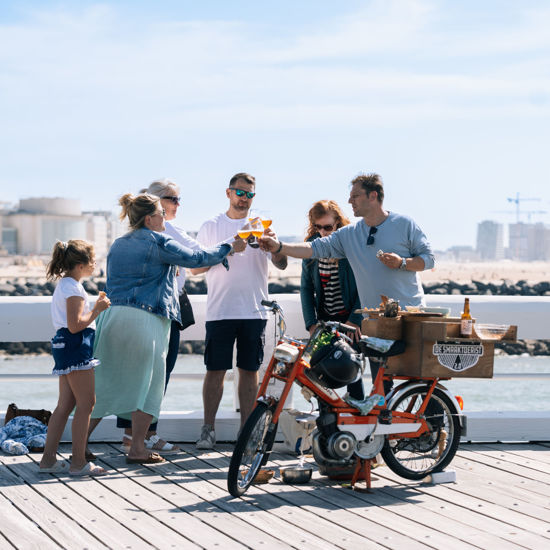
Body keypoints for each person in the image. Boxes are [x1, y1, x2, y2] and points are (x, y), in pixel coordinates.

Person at [88, 193, 237, 464]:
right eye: (161, 214)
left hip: (110, 318)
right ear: (149, 218)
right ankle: (137, 449)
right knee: (149, 387)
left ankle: (79, 444)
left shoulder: (117, 245)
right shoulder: (159, 241)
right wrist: (229, 246)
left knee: (103, 383)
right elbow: (196, 258)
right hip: (145, 319)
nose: (165, 219)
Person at [260, 173, 435, 392]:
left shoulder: (404, 224)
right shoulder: (349, 234)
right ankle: (383, 424)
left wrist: (402, 263)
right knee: (381, 385)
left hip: (410, 317)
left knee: (421, 380)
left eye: (355, 196)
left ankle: (437, 424)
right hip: (374, 321)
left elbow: (429, 259)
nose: (350, 201)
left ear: (373, 196)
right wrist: (279, 247)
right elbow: (314, 249)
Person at [117, 179, 214, 455]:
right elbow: (199, 258)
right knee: (158, 373)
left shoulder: (134, 235)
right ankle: (147, 435)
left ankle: (131, 435)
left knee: (138, 373)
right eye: (172, 199)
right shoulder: (166, 231)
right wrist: (231, 248)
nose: (177, 204)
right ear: (156, 202)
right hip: (163, 307)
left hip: (144, 308)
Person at [193, 172, 287, 450]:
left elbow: (281, 264)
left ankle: (247, 433)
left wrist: (275, 245)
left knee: (249, 371)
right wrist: (227, 249)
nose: (244, 198)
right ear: (228, 193)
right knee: (215, 370)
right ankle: (207, 430)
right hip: (220, 309)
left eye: (250, 194)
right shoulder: (211, 226)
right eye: (240, 192)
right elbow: (195, 267)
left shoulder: (261, 225)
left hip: (254, 310)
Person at [39, 240, 111, 476]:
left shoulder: (65, 285)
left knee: (65, 405)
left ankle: (48, 460)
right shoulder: (72, 288)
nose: (95, 264)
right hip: (75, 346)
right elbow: (75, 325)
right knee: (86, 403)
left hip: (64, 347)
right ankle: (79, 462)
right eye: (92, 260)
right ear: (80, 265)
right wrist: (98, 309)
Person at [300, 200, 364, 399]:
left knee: (352, 372)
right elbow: (306, 287)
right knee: (320, 375)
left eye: (328, 227)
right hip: (326, 322)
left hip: (351, 322)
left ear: (338, 222)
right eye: (318, 227)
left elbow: (365, 283)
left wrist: (354, 319)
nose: (323, 232)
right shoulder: (311, 247)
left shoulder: (350, 244)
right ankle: (327, 425)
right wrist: (311, 324)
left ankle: (357, 424)